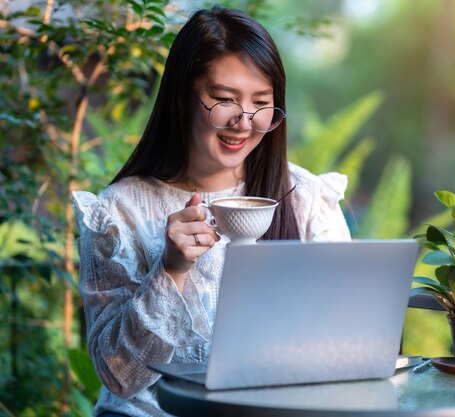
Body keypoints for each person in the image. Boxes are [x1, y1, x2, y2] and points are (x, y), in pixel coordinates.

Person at [72, 6, 351, 417]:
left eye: (262, 103)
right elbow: (119, 376)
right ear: (182, 98)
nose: (244, 122)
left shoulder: (305, 197)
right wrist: (170, 271)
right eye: (224, 100)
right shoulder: (120, 211)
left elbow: (348, 339)